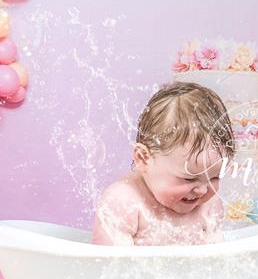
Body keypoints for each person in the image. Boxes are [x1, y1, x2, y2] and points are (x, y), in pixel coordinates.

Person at [92, 82, 234, 246]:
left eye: (215, 177)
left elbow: (218, 258)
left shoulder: (209, 204)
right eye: (189, 178)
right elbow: (107, 266)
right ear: (144, 158)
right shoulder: (124, 202)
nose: (203, 189)